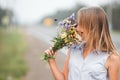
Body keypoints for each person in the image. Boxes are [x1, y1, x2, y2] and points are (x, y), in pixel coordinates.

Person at [44, 6, 120, 80]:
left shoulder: (112, 58)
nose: (77, 28)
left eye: (80, 24)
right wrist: (52, 61)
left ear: (92, 27)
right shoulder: (73, 48)